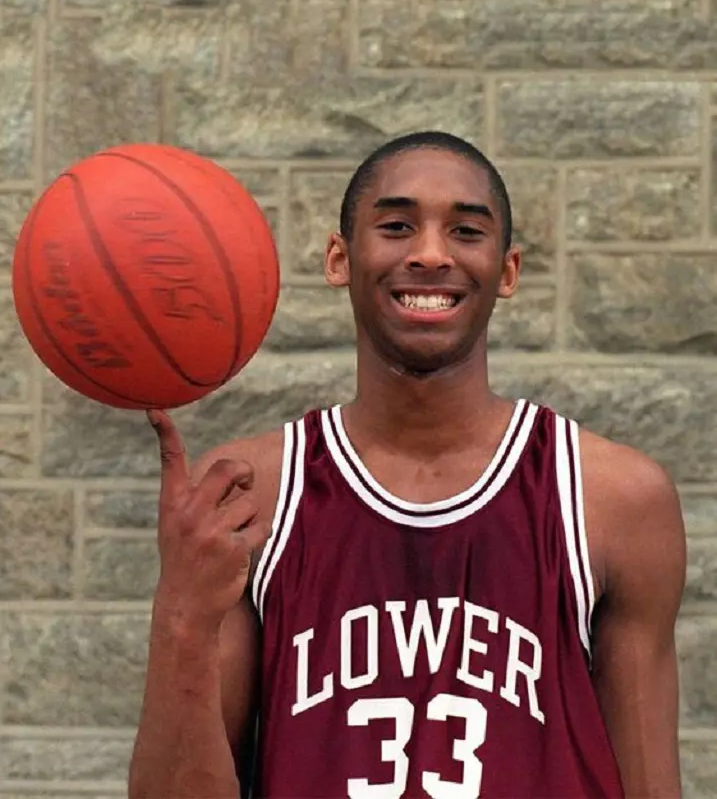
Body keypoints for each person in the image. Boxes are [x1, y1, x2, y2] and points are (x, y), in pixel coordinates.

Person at [128, 131, 686, 799]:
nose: (428, 254)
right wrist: (180, 619)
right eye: (395, 226)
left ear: (506, 271)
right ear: (339, 257)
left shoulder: (612, 498)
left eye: (465, 231)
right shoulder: (255, 493)